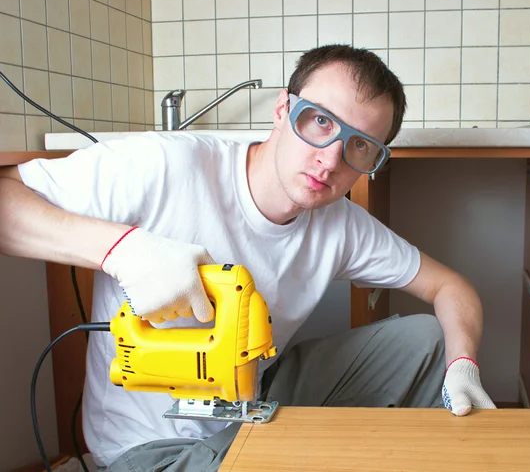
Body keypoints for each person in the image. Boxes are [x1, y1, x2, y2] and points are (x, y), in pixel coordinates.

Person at [0, 44, 495, 471]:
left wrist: (464, 363)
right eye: (320, 121)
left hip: (251, 406)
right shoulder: (165, 165)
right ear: (283, 110)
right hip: (152, 449)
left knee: (428, 339)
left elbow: (451, 288)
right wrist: (120, 249)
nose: (330, 159)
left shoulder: (338, 223)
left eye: (360, 147)